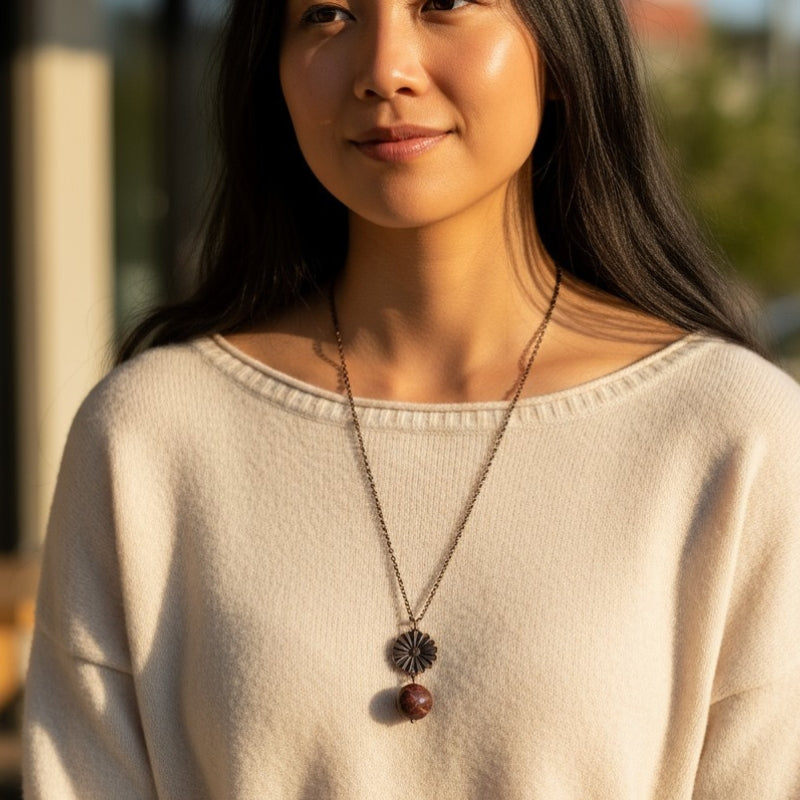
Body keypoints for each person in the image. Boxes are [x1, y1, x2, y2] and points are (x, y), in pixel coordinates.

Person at [23, 0, 800, 797]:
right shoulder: (151, 437)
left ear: (561, 45)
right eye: (326, 13)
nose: (384, 69)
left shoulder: (733, 436)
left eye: (447, 3)